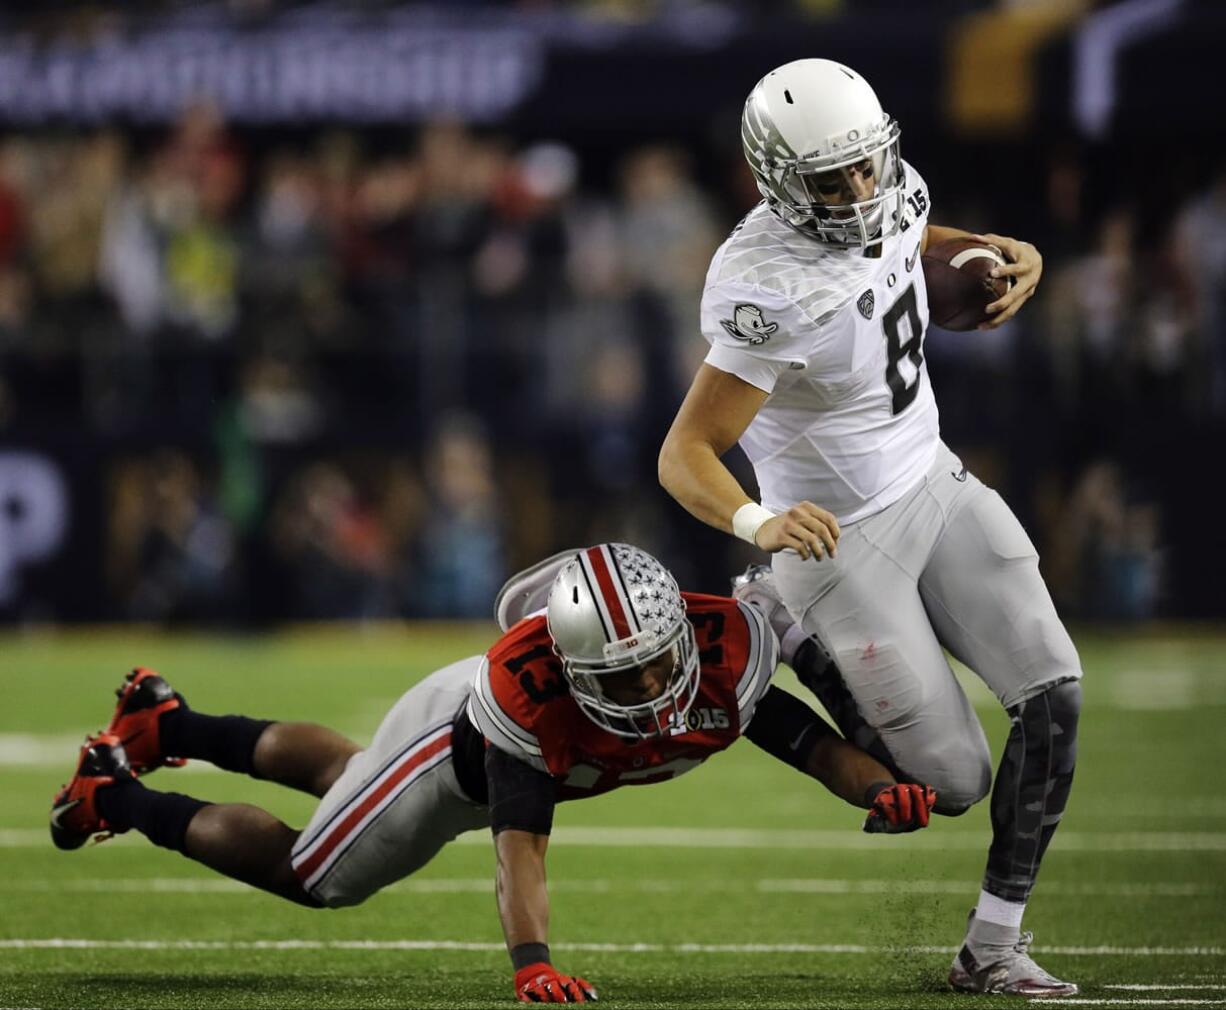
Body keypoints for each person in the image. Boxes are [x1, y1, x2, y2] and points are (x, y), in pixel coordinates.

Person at [50, 542, 937, 1005]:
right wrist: (532, 964)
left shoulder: (729, 652)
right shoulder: (531, 698)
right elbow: (521, 848)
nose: (646, 690)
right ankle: (113, 791)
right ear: (573, 666)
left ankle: (167, 723)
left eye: (654, 666)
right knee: (314, 875)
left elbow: (806, 742)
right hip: (452, 758)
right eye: (617, 678)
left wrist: (876, 787)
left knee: (346, 774)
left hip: (474, 740)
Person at [658, 58, 1083, 997]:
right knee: (955, 782)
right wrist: (756, 521)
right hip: (839, 543)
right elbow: (684, 451)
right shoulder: (763, 284)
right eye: (829, 179)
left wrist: (1012, 252)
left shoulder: (886, 183)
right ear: (774, 177)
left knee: (1055, 696)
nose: (857, 192)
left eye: (865, 167)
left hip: (932, 476)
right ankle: (792, 633)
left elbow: (907, 238)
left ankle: (991, 948)